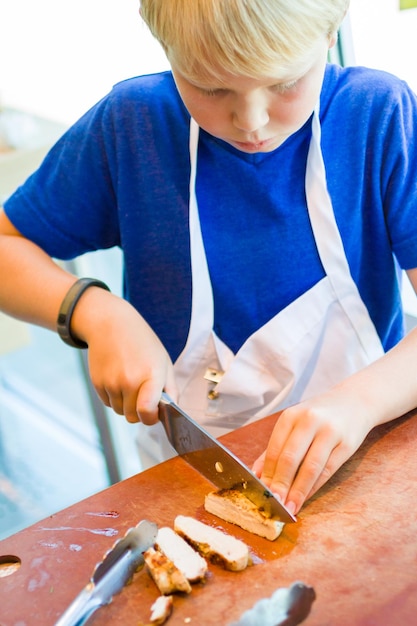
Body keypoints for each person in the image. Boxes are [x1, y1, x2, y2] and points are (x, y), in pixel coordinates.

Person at [1, 0, 417, 517]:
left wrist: (360, 402)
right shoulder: (132, 125)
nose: (253, 120)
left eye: (285, 82)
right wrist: (95, 312)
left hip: (371, 471)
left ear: (331, 31)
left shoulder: (375, 115)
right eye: (212, 88)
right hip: (184, 492)